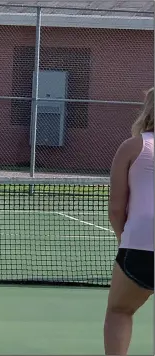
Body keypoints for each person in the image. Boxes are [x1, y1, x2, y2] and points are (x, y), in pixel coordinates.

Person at [104, 87, 154, 355]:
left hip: (141, 244)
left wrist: (125, 239)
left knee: (119, 310)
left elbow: (116, 208)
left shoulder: (133, 147)